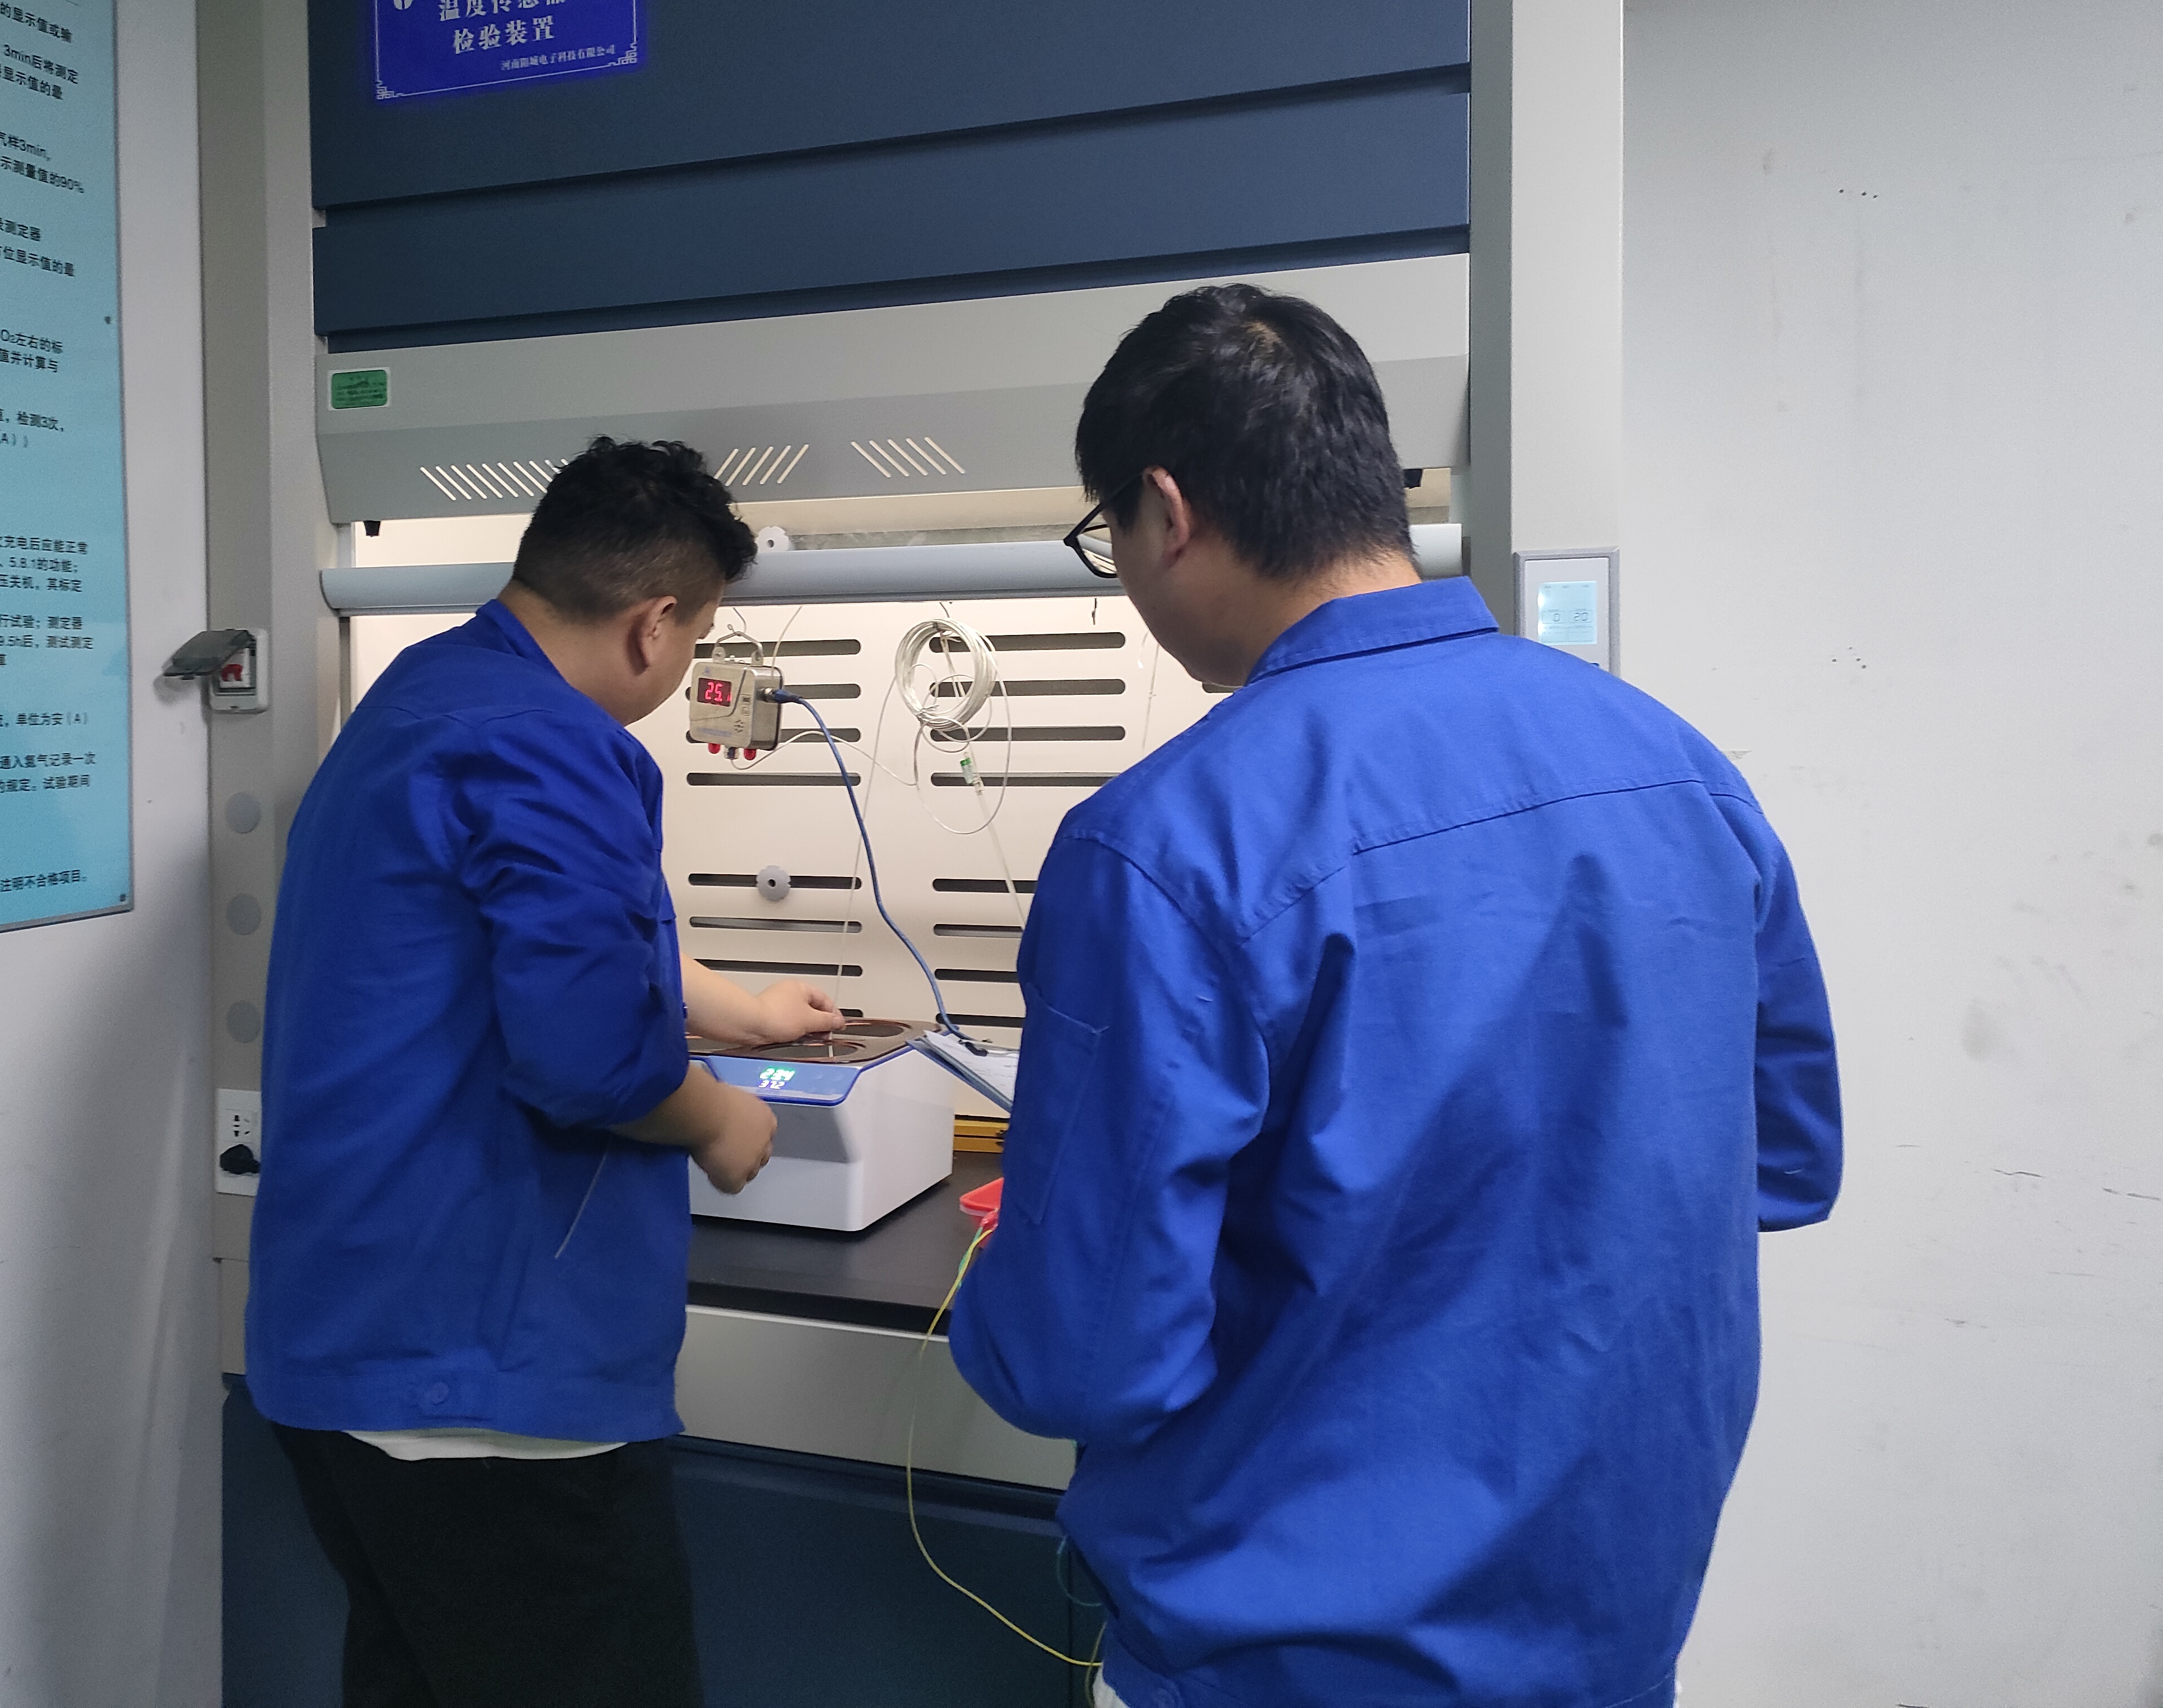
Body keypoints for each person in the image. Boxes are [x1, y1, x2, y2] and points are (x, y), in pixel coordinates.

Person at [949, 286, 1842, 1708]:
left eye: (1103, 536)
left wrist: (1007, 1281)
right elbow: (1783, 1164)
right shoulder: (1678, 769)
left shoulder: (1167, 844)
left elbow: (1085, 1360)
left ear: (1165, 512)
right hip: (1607, 1632)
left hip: (1281, 1660)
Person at [247, 437, 844, 1708]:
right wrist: (715, 1121)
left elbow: (527, 936)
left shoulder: (428, 697)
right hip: (484, 1382)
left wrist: (741, 1011)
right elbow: (588, 1058)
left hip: (345, 1346)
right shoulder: (555, 745)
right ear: (654, 623)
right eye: (697, 640)